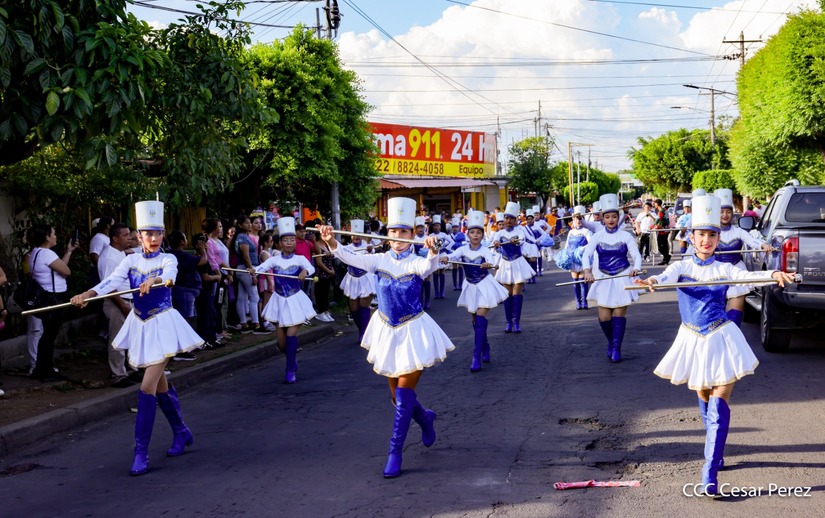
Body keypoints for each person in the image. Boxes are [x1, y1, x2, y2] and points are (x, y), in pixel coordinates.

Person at [634, 195, 796, 496]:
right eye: (701, 234)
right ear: (691, 237)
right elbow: (664, 276)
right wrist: (653, 280)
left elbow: (748, 276)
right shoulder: (681, 268)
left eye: (712, 235)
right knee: (704, 394)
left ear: (718, 238)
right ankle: (715, 446)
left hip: (721, 337)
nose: (706, 240)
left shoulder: (725, 267)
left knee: (720, 396)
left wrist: (773, 274)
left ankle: (709, 471)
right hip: (692, 339)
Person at [319, 196, 454, 479]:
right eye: (393, 232)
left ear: (412, 234)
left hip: (413, 331)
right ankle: (425, 418)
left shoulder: (417, 261)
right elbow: (349, 257)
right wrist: (332, 242)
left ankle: (395, 452)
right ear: (387, 235)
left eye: (404, 232)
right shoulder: (378, 260)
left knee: (404, 395)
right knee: (396, 396)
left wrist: (431, 252)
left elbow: (428, 268)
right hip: (386, 330)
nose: (398, 237)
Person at [71, 201, 203, 476]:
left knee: (146, 388)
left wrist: (153, 282)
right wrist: (87, 295)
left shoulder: (169, 259)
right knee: (160, 386)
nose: (153, 239)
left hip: (164, 325)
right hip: (141, 325)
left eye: (158, 233)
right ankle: (180, 431)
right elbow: (109, 283)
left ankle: (140, 452)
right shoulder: (129, 260)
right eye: (147, 233)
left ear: (163, 235)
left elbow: (169, 278)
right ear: (138, 236)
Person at [441, 210, 507, 372]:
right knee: (474, 321)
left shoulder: (484, 250)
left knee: (480, 317)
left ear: (482, 235)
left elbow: (491, 260)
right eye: (472, 232)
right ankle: (485, 346)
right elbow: (452, 256)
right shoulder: (463, 250)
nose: (475, 235)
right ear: (468, 234)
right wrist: (444, 257)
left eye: (478, 233)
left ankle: (476, 356)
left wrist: (488, 264)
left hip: (484, 286)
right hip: (470, 287)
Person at [581, 194, 642, 363]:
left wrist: (636, 268)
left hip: (622, 276)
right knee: (604, 318)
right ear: (602, 218)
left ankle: (616, 348)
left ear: (618, 217)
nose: (610, 220)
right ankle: (611, 341)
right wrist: (587, 271)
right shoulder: (597, 236)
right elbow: (586, 255)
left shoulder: (626, 236)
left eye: (614, 216)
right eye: (607, 217)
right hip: (602, 277)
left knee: (618, 314)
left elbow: (636, 256)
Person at [255, 217, 315, 383]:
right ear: (279, 243)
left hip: (295, 301)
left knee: (290, 336)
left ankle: (289, 371)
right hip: (279, 302)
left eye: (292, 240)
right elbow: (261, 268)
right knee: (281, 344)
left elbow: (310, 267)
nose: (289, 243)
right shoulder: (274, 260)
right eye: (285, 240)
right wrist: (252, 270)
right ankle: (292, 359)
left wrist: (305, 273)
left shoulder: (300, 259)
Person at [713, 189, 773, 327]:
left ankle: (733, 343)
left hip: (736, 273)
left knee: (735, 317)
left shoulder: (738, 231)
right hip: (715, 274)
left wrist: (763, 244)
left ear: (732, 213)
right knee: (715, 316)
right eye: (721, 211)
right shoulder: (711, 232)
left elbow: (752, 241)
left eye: (728, 211)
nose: (725, 215)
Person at [29, 223, 79, 382]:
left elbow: (61, 268)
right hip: (53, 298)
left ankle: (41, 368)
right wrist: (68, 255)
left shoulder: (36, 253)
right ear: (46, 237)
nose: (55, 236)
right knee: (49, 336)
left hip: (44, 297)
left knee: (47, 335)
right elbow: (66, 271)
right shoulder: (47, 254)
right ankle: (46, 370)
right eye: (53, 233)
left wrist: (69, 251)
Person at [97, 223, 137, 387]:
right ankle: (118, 374)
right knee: (118, 338)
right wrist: (121, 304)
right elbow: (108, 285)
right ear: (115, 238)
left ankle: (131, 370)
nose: (130, 238)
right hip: (118, 301)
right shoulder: (108, 257)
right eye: (126, 235)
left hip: (128, 299)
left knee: (131, 337)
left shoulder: (119, 253)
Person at [490, 202, 536, 333]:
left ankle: (516, 322)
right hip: (505, 264)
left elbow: (522, 240)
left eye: (511, 218)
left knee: (516, 293)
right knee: (507, 294)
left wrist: (515, 241)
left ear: (516, 220)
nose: (508, 220)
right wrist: (496, 243)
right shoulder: (499, 233)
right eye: (506, 218)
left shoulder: (520, 231)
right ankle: (508, 322)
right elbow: (494, 244)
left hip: (517, 263)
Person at [168, 230, 208, 360]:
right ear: (181, 241)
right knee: (185, 319)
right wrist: (202, 250)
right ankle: (182, 350)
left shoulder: (176, 255)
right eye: (185, 238)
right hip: (184, 290)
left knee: (186, 318)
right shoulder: (179, 255)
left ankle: (184, 347)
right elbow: (202, 261)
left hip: (184, 290)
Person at [339, 219, 376, 341]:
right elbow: (337, 252)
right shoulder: (346, 248)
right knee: (354, 309)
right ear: (351, 235)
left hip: (366, 278)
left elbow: (373, 254)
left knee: (363, 306)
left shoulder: (368, 247)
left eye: (359, 235)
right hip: (352, 279)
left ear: (363, 236)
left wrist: (370, 250)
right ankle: (363, 330)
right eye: (354, 235)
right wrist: (330, 253)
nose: (356, 237)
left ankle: (364, 335)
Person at [230, 215, 267, 334]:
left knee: (241, 297)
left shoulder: (243, 236)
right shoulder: (242, 237)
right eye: (246, 223)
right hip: (246, 269)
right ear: (240, 225)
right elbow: (246, 256)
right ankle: (256, 324)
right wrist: (252, 272)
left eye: (249, 223)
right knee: (254, 297)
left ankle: (244, 323)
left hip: (243, 269)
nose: (249, 225)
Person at [555, 206, 593, 310]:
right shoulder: (571, 232)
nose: (578, 221)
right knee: (575, 281)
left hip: (582, 259)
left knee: (582, 281)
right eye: (576, 219)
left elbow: (591, 244)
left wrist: (581, 249)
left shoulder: (586, 231)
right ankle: (578, 302)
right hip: (572, 259)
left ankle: (584, 301)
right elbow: (567, 245)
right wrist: (565, 255)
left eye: (580, 218)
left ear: (583, 219)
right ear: (573, 220)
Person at [313, 228, 336, 323]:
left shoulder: (326, 245)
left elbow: (331, 259)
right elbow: (319, 262)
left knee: (326, 292)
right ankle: (320, 311)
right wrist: (329, 271)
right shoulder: (317, 245)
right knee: (320, 293)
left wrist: (332, 270)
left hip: (328, 273)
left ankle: (325, 310)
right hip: (321, 273)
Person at [428, 215, 453, 299]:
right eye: (435, 225)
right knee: (435, 271)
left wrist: (446, 249)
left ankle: (442, 291)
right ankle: (436, 292)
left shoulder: (443, 235)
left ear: (440, 226)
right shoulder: (430, 235)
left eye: (438, 225)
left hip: (441, 254)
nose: (436, 227)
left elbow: (452, 242)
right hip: (435, 254)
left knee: (442, 271)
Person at [652, 199, 671, 265]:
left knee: (660, 245)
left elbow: (658, 219)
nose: (654, 205)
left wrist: (653, 225)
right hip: (665, 229)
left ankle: (667, 256)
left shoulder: (661, 211)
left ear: (657, 204)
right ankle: (665, 259)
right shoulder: (665, 210)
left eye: (654, 203)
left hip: (662, 230)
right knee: (664, 244)